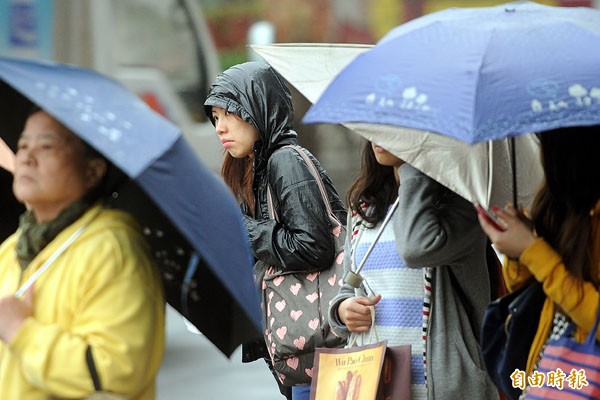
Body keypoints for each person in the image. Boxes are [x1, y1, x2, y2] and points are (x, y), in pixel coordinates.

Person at [204, 61, 347, 400]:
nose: (219, 127)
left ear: (258, 108)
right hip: (301, 349)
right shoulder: (256, 168)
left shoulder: (286, 160)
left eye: (229, 114)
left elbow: (313, 246)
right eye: (214, 118)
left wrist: (239, 226)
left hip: (321, 346)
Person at [0, 109, 165, 399]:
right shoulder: (12, 249)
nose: (27, 157)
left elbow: (115, 370)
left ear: (92, 171)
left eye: (46, 146)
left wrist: (20, 330)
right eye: (23, 145)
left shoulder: (111, 250)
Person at [329, 140, 499, 399]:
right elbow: (350, 284)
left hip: (443, 387)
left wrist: (414, 168)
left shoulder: (460, 207)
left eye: (393, 129)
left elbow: (415, 248)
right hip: (377, 383)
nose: (380, 136)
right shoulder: (365, 207)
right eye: (376, 125)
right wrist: (344, 311)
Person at [478, 126, 599, 398]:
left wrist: (533, 250)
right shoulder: (557, 201)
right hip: (549, 365)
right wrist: (518, 248)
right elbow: (530, 290)